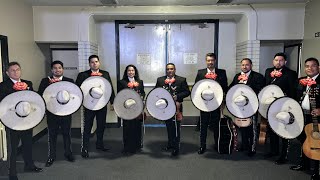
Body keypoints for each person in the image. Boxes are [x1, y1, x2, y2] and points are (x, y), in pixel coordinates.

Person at [0, 62, 42, 180]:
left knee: (28, 144)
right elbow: (2, 103)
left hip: (27, 120)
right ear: (7, 73)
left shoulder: (27, 83)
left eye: (17, 69)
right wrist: (13, 90)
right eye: (12, 70)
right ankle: (12, 173)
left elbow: (33, 98)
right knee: (13, 148)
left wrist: (28, 88)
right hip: (12, 121)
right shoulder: (3, 86)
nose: (16, 72)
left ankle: (29, 165)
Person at [75, 55, 115, 158]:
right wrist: (77, 103)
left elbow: (109, 88)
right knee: (87, 127)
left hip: (102, 104)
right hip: (89, 105)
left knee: (101, 125)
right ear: (89, 64)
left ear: (99, 62)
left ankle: (99, 144)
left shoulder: (105, 74)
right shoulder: (83, 75)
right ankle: (85, 148)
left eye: (96, 61)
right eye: (92, 62)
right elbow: (77, 90)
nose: (94, 63)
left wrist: (112, 102)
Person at [38, 61, 75, 167]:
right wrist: (50, 87)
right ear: (51, 70)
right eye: (55, 68)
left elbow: (74, 96)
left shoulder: (69, 81)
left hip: (66, 112)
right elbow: (40, 95)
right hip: (51, 112)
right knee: (52, 135)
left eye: (59, 68)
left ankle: (68, 153)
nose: (57, 70)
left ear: (63, 69)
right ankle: (51, 156)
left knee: (66, 134)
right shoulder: (45, 81)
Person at [264, 52, 297, 164]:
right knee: (272, 128)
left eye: (281, 60)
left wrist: (290, 106)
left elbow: (293, 91)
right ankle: (274, 151)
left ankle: (284, 155)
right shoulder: (268, 71)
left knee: (283, 131)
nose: (278, 62)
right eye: (276, 60)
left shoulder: (290, 73)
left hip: (284, 105)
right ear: (273, 61)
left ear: (285, 62)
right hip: (271, 105)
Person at [290, 57, 320, 180]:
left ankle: (317, 170)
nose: (310, 68)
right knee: (304, 140)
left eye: (313, 66)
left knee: (317, 142)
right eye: (307, 66)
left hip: (317, 118)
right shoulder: (300, 81)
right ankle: (304, 164)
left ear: (318, 67)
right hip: (302, 115)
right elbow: (294, 96)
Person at [229, 58, 265, 156]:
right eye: (243, 65)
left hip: (252, 106)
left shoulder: (258, 76)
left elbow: (260, 90)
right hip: (240, 106)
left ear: (251, 66)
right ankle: (244, 145)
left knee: (252, 128)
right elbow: (231, 88)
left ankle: (252, 148)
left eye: (247, 65)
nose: (245, 67)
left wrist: (247, 85)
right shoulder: (237, 76)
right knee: (242, 126)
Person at [195, 53, 228, 154]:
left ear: (215, 61)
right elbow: (196, 88)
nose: (210, 62)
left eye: (212, 60)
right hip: (204, 104)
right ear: (206, 61)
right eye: (208, 60)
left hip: (216, 104)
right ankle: (202, 146)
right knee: (203, 126)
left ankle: (217, 145)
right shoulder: (200, 73)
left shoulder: (222, 72)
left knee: (216, 126)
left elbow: (225, 87)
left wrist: (223, 101)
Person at [155, 63, 190, 156]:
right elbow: (156, 91)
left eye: (171, 69)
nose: (169, 70)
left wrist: (177, 96)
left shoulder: (181, 80)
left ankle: (176, 147)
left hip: (177, 107)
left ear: (175, 70)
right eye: (168, 69)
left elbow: (187, 92)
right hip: (165, 107)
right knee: (169, 126)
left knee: (176, 127)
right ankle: (170, 144)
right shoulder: (160, 80)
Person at [117, 65, 145, 154]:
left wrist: (141, 96)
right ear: (126, 72)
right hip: (126, 108)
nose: (131, 72)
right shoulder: (121, 82)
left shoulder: (140, 82)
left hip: (137, 108)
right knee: (127, 127)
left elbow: (143, 92)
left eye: (132, 70)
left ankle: (137, 145)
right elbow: (119, 95)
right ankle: (127, 147)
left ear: (135, 72)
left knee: (137, 126)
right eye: (129, 70)